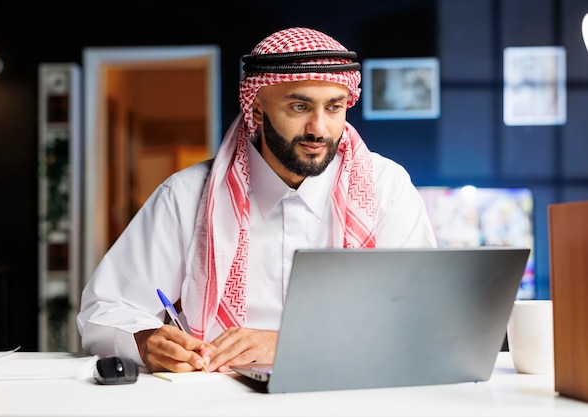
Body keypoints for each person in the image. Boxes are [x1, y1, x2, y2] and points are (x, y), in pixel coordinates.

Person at [77, 27, 437, 374]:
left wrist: (286, 345)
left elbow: (422, 315)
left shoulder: (385, 188)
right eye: (299, 107)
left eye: (334, 107)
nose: (319, 128)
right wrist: (146, 341)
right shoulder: (186, 195)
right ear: (258, 109)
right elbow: (104, 309)